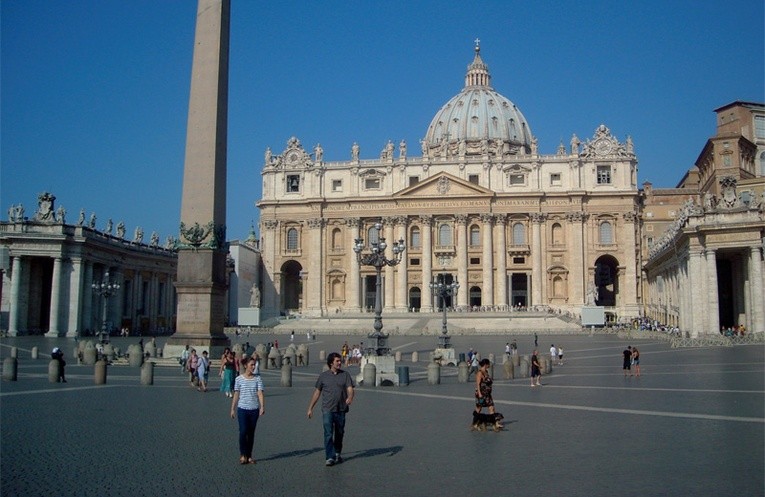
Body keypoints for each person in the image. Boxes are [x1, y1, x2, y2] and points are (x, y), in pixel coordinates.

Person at [307, 352, 355, 467]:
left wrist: (350, 397)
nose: (340, 363)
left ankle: (337, 452)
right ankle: (329, 457)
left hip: (341, 409)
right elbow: (317, 393)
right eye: (337, 361)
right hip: (327, 409)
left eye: (340, 361)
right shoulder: (323, 376)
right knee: (328, 433)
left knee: (339, 433)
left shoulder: (345, 375)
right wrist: (310, 408)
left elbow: (350, 388)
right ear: (331, 363)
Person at [230, 357, 265, 465]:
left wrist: (262, 406)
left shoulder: (257, 379)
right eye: (251, 365)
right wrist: (232, 408)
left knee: (251, 433)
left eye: (254, 365)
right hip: (242, 409)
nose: (253, 367)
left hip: (254, 409)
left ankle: (249, 456)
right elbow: (236, 394)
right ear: (246, 366)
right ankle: (242, 454)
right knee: (243, 431)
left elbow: (260, 393)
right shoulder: (239, 379)